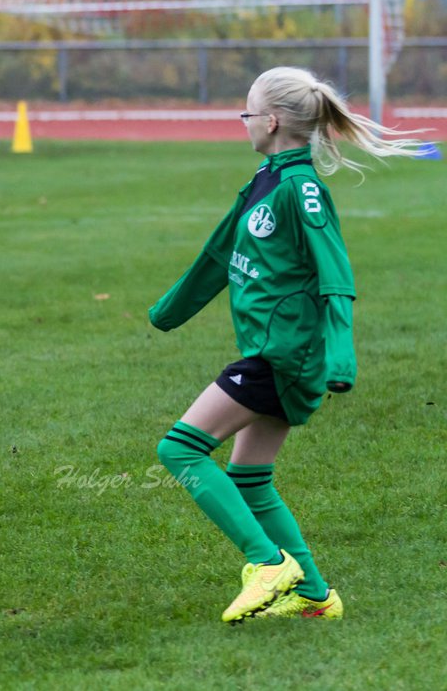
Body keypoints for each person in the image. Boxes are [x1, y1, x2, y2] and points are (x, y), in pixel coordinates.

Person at [150, 66, 423, 622]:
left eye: (247, 113)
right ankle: (317, 599)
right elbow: (219, 254)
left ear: (272, 121)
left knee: (179, 449)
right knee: (249, 477)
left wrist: (341, 358)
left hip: (284, 355)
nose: (244, 123)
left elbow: (336, 276)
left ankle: (268, 565)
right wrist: (169, 312)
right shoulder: (264, 179)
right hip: (276, 351)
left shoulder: (303, 190)